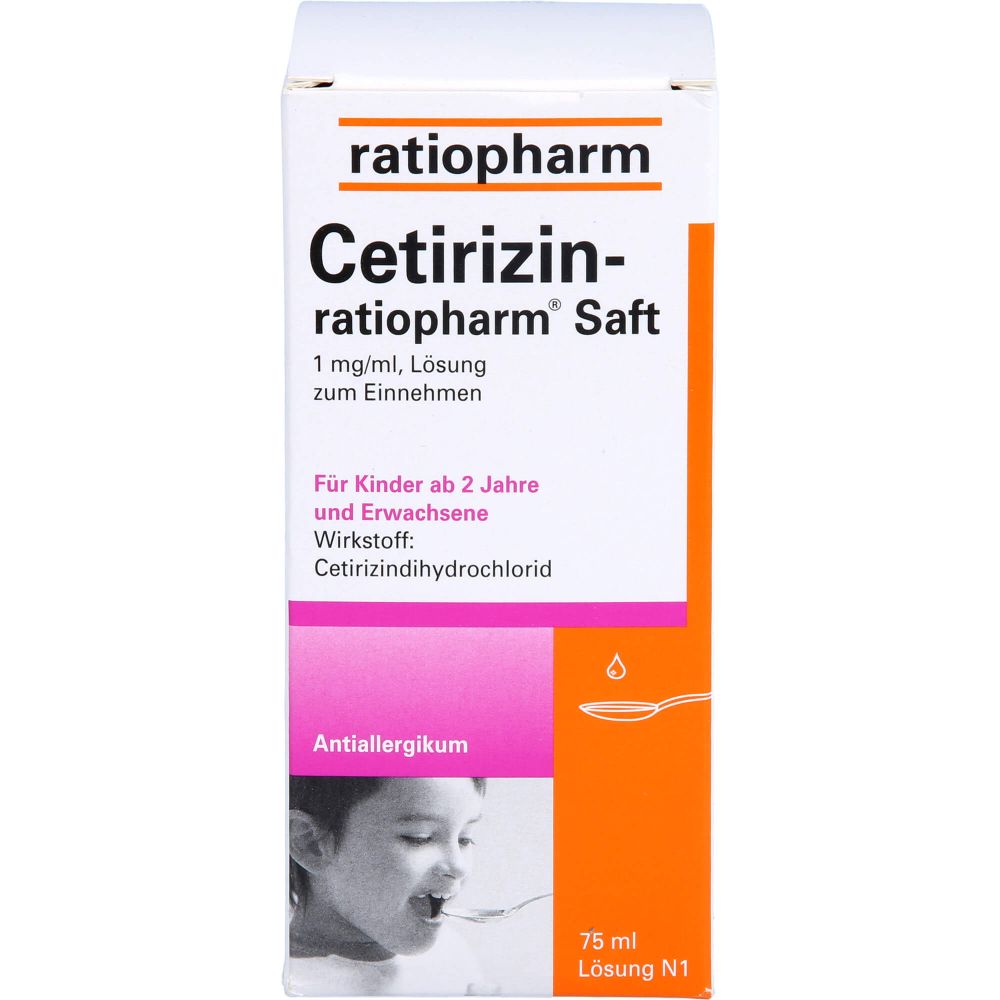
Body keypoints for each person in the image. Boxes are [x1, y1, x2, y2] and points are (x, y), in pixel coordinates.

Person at [285, 776, 492, 996]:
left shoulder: (452, 954)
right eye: (419, 837)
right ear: (311, 844)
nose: (459, 866)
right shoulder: (289, 983)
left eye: (464, 839)